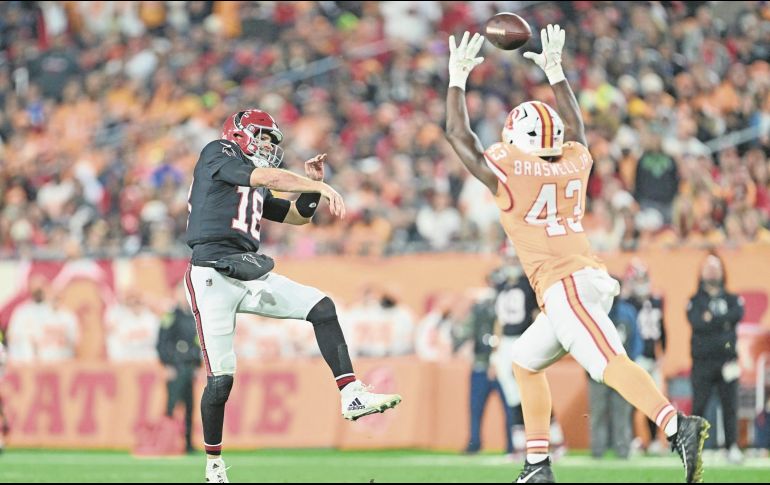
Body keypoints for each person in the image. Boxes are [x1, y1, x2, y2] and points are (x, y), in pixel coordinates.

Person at [445, 27, 709, 483]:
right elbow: (577, 127)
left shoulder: (513, 170)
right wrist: (555, 71)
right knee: (525, 361)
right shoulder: (574, 159)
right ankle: (537, 464)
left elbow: (458, 135)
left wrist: (457, 77)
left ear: (518, 139)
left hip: (565, 285)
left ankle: (675, 425)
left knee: (609, 362)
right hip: (577, 281)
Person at [184, 109, 401, 482]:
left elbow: (297, 216)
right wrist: (315, 185)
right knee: (221, 380)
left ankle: (351, 393)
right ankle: (214, 466)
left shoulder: (250, 181)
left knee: (322, 306)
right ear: (240, 134)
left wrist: (310, 188)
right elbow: (262, 175)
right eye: (264, 136)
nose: (269, 144)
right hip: (211, 274)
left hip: (248, 269)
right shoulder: (218, 152)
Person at [687, 253, 745, 464]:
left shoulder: (732, 299)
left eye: (716, 266)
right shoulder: (695, 300)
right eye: (708, 267)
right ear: (701, 272)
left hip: (727, 361)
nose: (712, 271)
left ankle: (732, 446)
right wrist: (723, 323)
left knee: (730, 406)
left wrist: (713, 320)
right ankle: (692, 449)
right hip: (702, 362)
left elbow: (737, 315)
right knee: (699, 407)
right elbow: (698, 323)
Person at [452, 271, 515, 456]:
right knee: (476, 408)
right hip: (481, 363)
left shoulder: (508, 307)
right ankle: (475, 442)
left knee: (510, 407)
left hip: (502, 365)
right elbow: (466, 331)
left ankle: (512, 446)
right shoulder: (479, 308)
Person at [589, 288, 642, 459]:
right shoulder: (593, 312)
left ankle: (623, 450)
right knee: (598, 413)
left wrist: (630, 364)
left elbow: (636, 340)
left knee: (622, 413)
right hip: (599, 370)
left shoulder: (627, 312)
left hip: (621, 371)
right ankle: (598, 450)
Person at [624, 259, 668, 455]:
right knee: (632, 401)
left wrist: (662, 352)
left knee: (654, 400)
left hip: (652, 357)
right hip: (636, 357)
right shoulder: (628, 303)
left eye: (644, 278)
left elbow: (662, 329)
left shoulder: (656, 301)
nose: (642, 283)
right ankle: (633, 439)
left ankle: (652, 440)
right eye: (638, 279)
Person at [157, 284, 202, 454]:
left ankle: (188, 444)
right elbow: (162, 343)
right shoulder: (171, 316)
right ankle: (165, 442)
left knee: (190, 406)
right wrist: (167, 364)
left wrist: (198, 365)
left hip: (189, 367)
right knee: (172, 405)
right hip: (176, 367)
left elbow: (197, 343)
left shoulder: (194, 317)